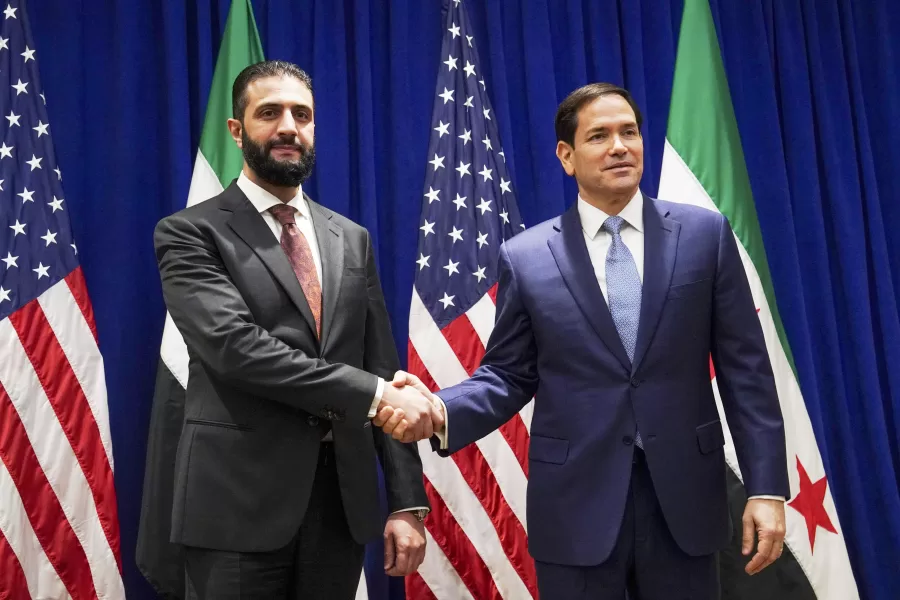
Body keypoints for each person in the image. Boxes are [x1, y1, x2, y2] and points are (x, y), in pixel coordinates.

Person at [379, 83, 789, 599]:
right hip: (576, 507)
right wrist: (440, 409)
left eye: (629, 132)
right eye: (599, 135)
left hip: (686, 499)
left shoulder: (705, 235)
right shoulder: (526, 257)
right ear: (566, 156)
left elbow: (746, 370)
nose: (620, 146)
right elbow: (508, 374)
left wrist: (768, 487)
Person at [154, 60, 442, 599]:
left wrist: (406, 501)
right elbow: (235, 349)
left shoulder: (350, 238)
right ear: (237, 131)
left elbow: (381, 362)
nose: (289, 126)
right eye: (270, 112)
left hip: (340, 504)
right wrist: (377, 396)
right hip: (236, 506)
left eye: (302, 114)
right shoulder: (190, 232)